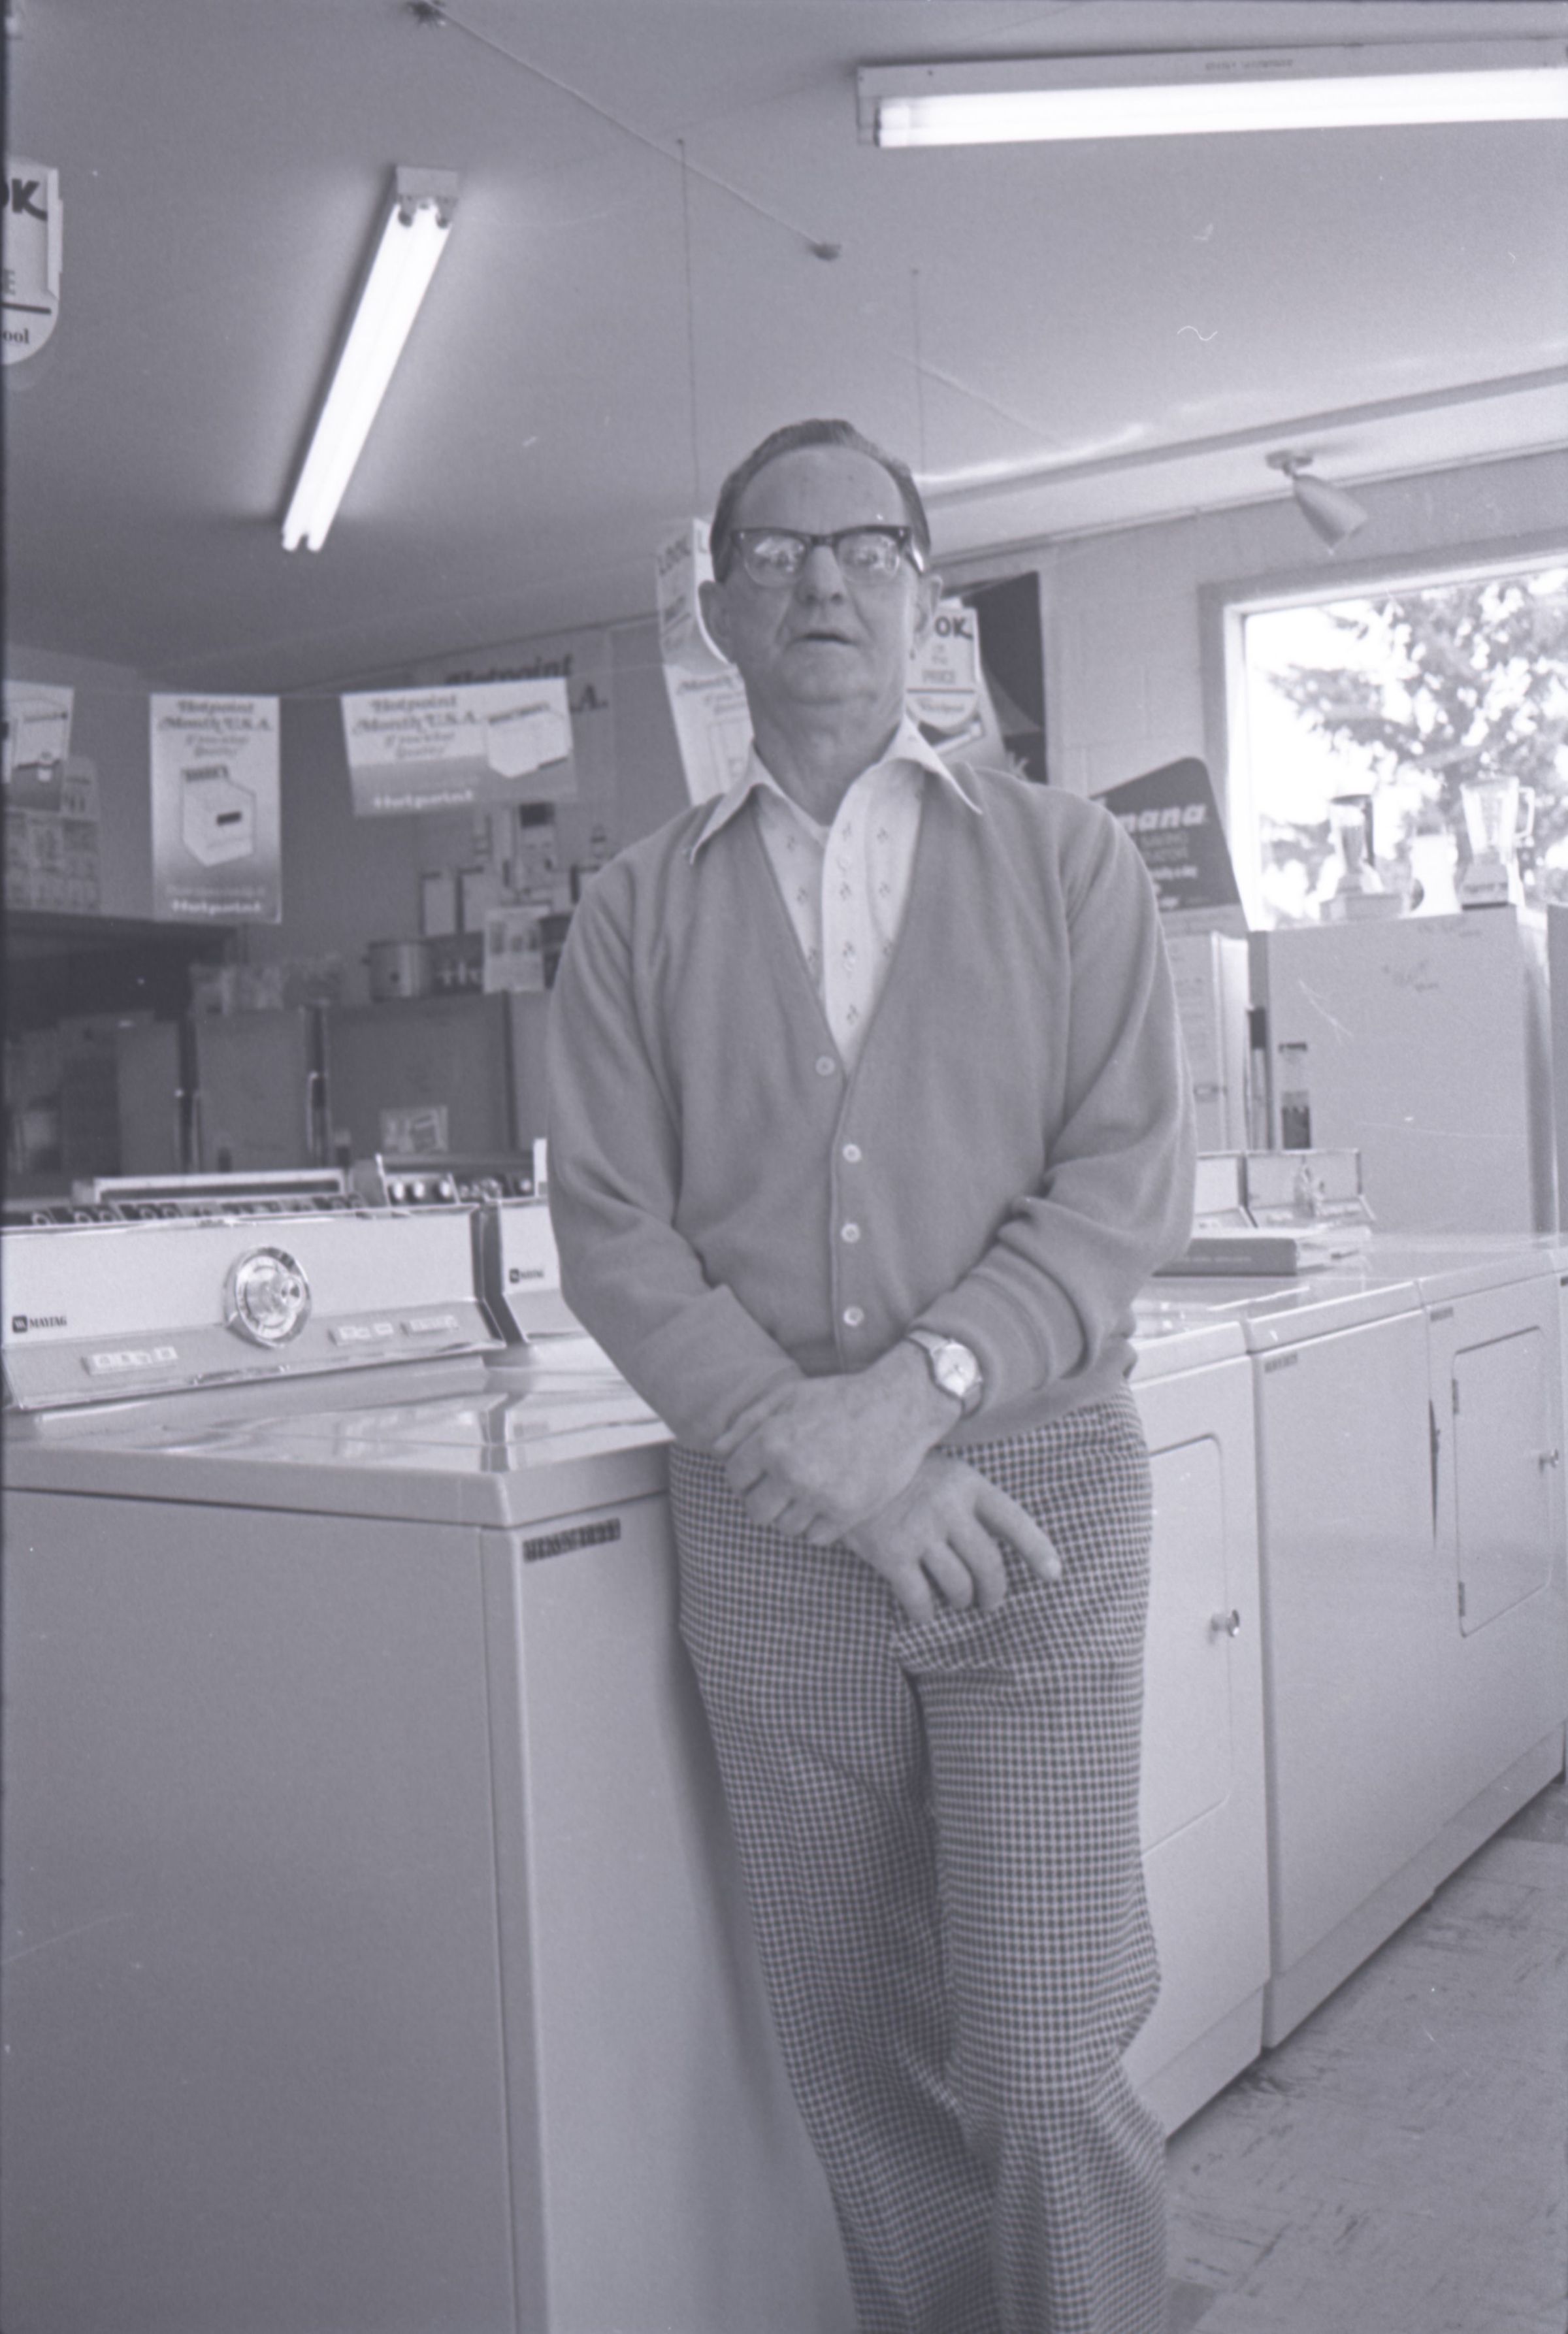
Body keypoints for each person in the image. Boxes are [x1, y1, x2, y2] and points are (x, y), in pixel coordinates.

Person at [546, 416, 1196, 2334]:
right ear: (716, 606)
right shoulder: (635, 908)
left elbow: (1125, 1185)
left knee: (1045, 2044)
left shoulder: (1071, 861)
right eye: (774, 554)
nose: (821, 582)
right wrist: (830, 1454)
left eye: (865, 549)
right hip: (772, 1529)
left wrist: (911, 1403)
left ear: (929, 595)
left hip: (1037, 1504)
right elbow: (612, 1231)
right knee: (859, 2044)